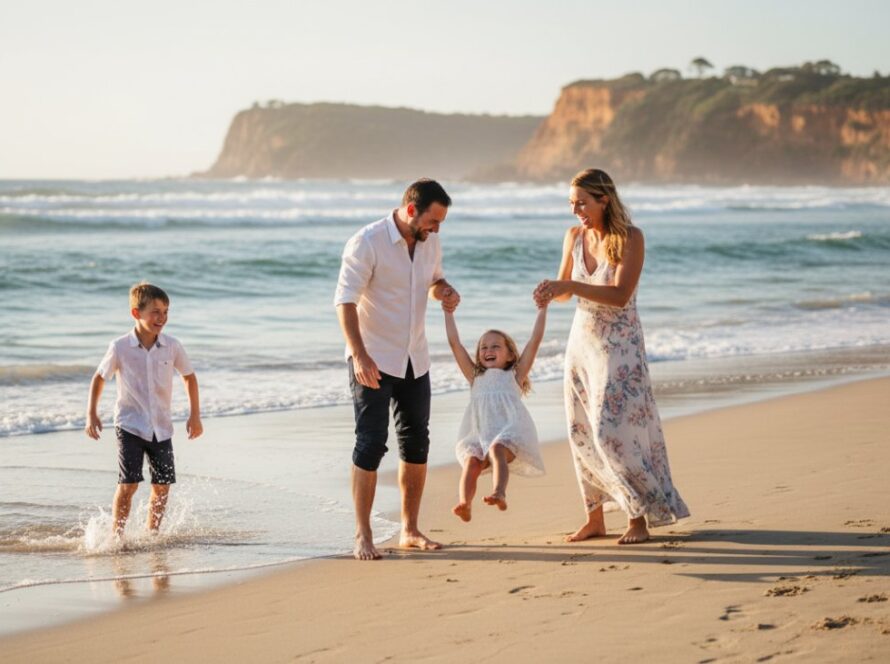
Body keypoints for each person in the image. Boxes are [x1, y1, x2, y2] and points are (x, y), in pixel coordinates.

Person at [534, 168, 689, 545]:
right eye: (572, 204)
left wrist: (569, 284)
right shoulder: (573, 236)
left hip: (620, 346)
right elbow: (567, 294)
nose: (576, 211)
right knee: (581, 430)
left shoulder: (630, 238)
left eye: (582, 203)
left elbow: (620, 296)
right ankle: (595, 518)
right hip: (581, 344)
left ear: (604, 199)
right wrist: (551, 291)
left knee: (614, 432)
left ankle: (638, 518)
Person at [334, 178, 460, 561]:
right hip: (372, 359)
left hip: (414, 358)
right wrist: (359, 355)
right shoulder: (366, 242)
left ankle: (409, 530)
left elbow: (433, 280)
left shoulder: (429, 242)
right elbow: (345, 302)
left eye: (440, 223)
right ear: (411, 211)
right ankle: (363, 535)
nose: (436, 229)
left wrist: (445, 291)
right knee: (370, 444)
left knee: (416, 444)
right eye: (432, 221)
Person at [84, 282, 203, 537]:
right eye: (156, 311)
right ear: (136, 313)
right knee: (128, 484)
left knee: (162, 487)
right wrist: (91, 414)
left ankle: (152, 535)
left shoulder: (172, 346)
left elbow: (189, 377)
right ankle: (117, 537)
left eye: (166, 311)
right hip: (129, 425)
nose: (162, 317)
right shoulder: (120, 347)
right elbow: (99, 377)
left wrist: (195, 415)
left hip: (161, 427)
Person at [444, 303, 547, 522]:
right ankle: (465, 503)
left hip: (508, 432)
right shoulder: (474, 377)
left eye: (495, 346)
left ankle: (499, 492)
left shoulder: (515, 376)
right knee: (472, 462)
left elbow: (534, 341)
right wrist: (448, 312)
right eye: (484, 347)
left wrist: (542, 309)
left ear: (510, 355)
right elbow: (455, 344)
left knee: (496, 448)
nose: (488, 351)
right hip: (478, 435)